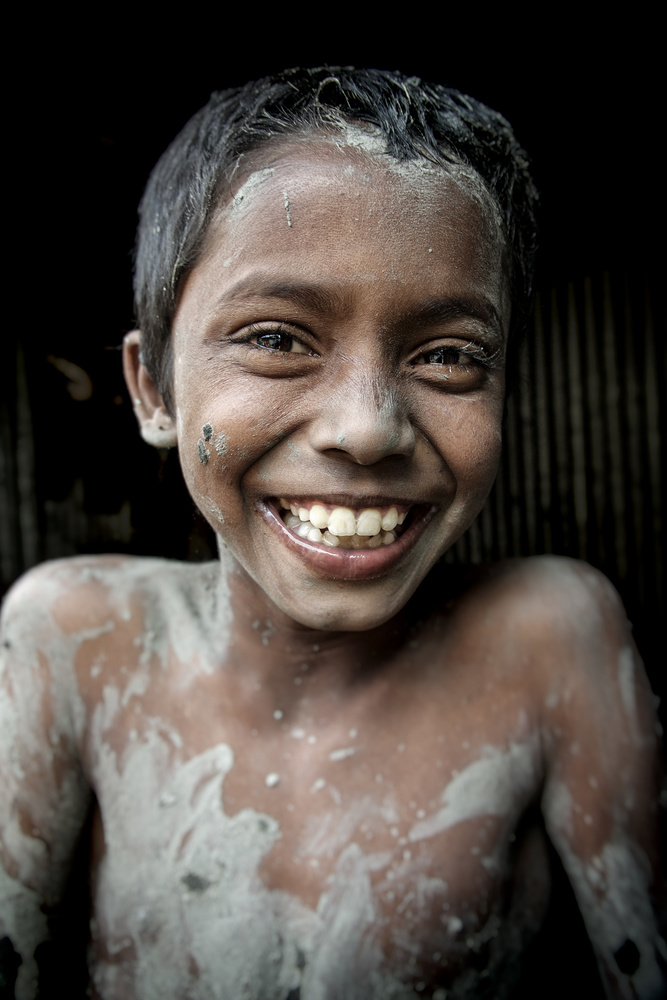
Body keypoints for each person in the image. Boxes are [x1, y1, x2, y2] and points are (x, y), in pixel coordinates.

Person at [0, 67, 664, 1000]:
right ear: (152, 387)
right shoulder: (73, 640)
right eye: (276, 337)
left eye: (449, 354)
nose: (367, 427)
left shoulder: (549, 637)